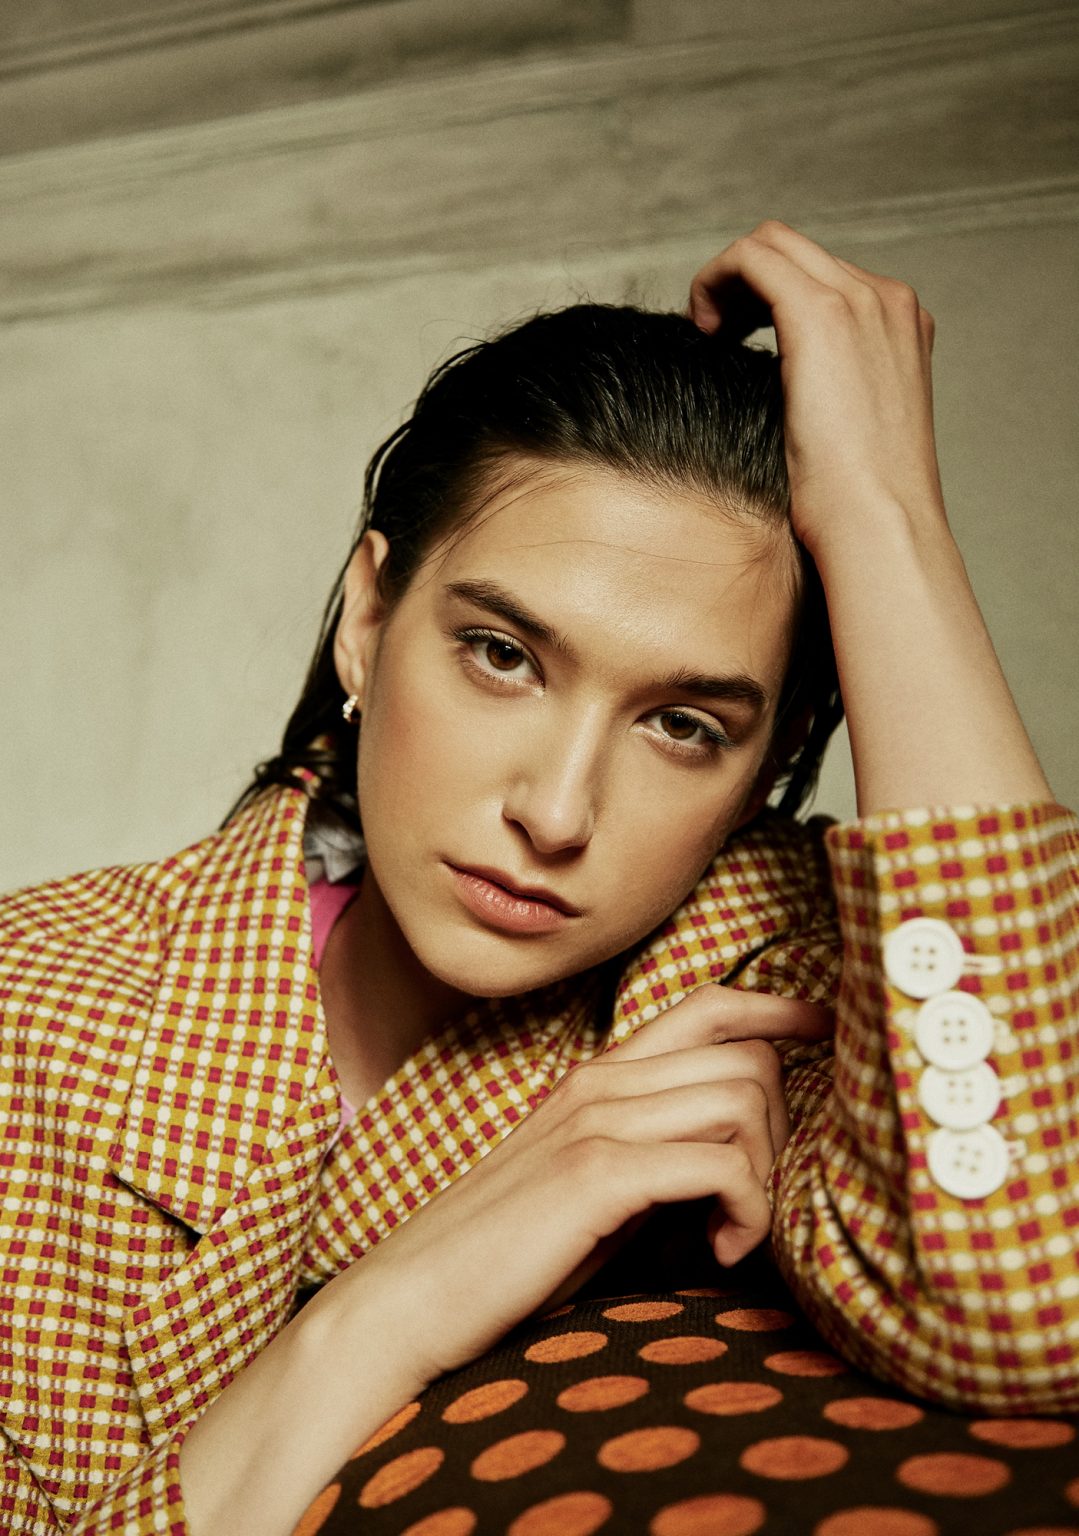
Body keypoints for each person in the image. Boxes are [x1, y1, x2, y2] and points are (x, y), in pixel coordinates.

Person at [1, 222, 1075, 1536]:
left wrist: (884, 516)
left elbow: (1035, 1306)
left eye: (684, 725)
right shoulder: (35, 1004)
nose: (557, 813)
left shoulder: (762, 992)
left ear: (770, 762)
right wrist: (380, 1319)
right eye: (502, 654)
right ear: (370, 618)